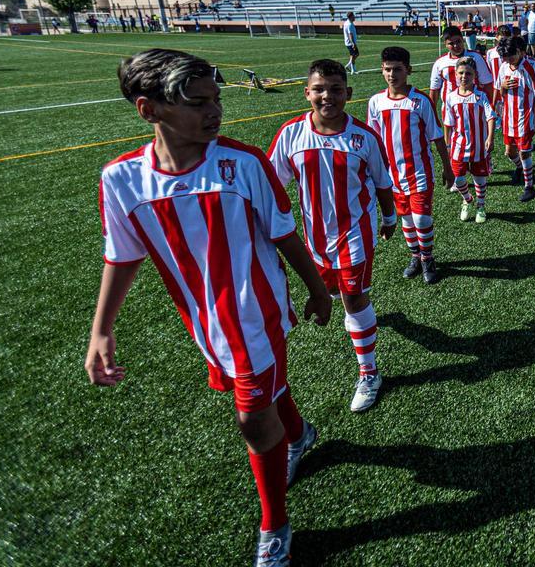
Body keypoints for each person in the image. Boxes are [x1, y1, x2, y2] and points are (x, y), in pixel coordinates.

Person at [89, 49, 332, 567]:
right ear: (148, 110)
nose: (214, 111)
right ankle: (301, 434)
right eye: (199, 102)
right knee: (265, 392)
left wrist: (315, 287)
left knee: (251, 417)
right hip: (206, 322)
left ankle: (275, 525)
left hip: (257, 315)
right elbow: (122, 255)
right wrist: (101, 330)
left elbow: (286, 235)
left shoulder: (242, 163)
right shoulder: (122, 180)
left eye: (216, 99)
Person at [267, 59, 397, 413]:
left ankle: (369, 373)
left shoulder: (363, 137)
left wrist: (389, 218)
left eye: (336, 89)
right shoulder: (291, 135)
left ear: (348, 93)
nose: (328, 96)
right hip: (315, 238)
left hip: (356, 234)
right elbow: (272, 189)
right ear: (307, 92)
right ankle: (359, 315)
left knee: (353, 300)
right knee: (334, 292)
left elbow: (383, 183)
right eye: (320, 89)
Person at [367, 46, 454, 285]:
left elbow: (437, 137)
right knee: (405, 219)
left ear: (409, 70)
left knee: (421, 220)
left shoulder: (420, 101)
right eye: (387, 69)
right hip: (391, 176)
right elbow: (373, 141)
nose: (391, 74)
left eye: (397, 69)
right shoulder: (375, 102)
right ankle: (415, 256)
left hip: (419, 173)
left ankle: (427, 258)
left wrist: (448, 168)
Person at [495, 36, 535, 202]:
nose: (508, 61)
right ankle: (521, 168)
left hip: (525, 116)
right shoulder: (504, 66)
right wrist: (503, 88)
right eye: (505, 58)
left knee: (524, 152)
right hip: (508, 115)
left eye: (511, 56)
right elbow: (499, 91)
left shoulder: (530, 66)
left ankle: (529, 187)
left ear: (519, 51)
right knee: (509, 152)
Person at [443, 56, 496, 223]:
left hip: (479, 146)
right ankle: (467, 199)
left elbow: (490, 117)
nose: (464, 76)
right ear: (455, 75)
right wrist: (447, 144)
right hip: (458, 146)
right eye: (461, 73)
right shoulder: (451, 97)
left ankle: (481, 206)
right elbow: (448, 122)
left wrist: (490, 137)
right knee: (457, 179)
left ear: (474, 76)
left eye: (468, 73)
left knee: (479, 179)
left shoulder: (480, 96)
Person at [430, 26, 492, 118]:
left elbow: (487, 84)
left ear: (462, 39)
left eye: (458, 41)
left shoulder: (475, 57)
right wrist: (431, 112)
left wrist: (491, 106)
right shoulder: (440, 62)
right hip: (450, 110)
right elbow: (434, 89)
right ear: (445, 44)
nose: (456, 46)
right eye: (451, 43)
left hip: (475, 107)